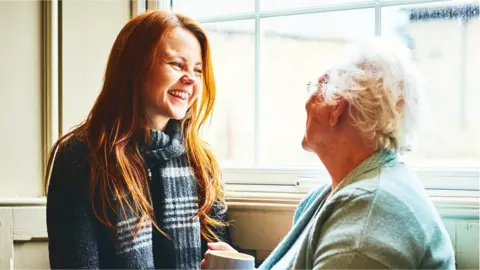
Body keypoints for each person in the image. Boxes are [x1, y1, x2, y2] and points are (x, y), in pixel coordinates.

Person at [202, 38, 455, 269]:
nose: (306, 102)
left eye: (317, 86)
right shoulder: (351, 191)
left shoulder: (368, 215)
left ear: (337, 108)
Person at [46, 9, 230, 269]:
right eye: (177, 64)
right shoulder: (81, 156)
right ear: (135, 67)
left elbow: (219, 252)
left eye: (198, 70)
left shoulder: (203, 163)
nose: (190, 79)